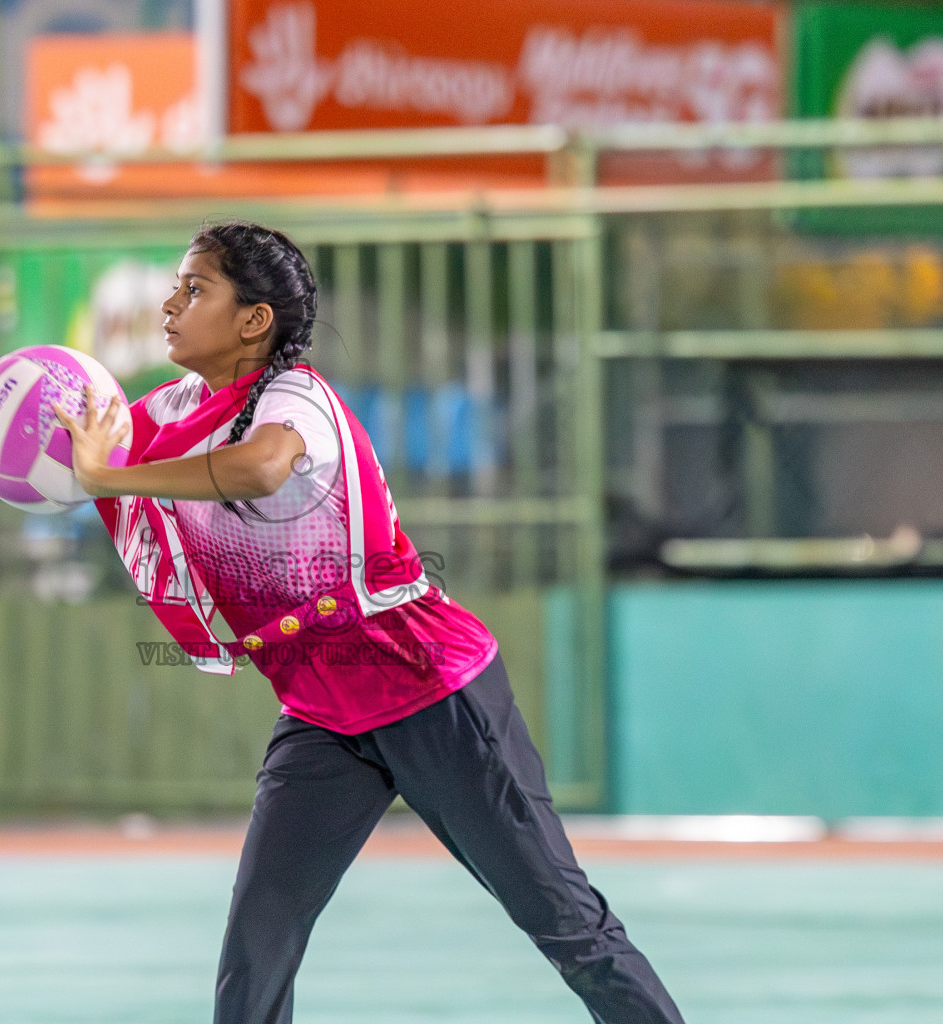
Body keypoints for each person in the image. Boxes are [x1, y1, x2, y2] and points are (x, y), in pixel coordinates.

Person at [51, 221, 685, 1023]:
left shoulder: (294, 401)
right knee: (257, 950)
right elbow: (82, 442)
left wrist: (112, 470)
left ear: (254, 321)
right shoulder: (173, 410)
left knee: (566, 926)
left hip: (432, 693)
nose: (170, 304)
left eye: (195, 288)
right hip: (322, 712)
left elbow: (263, 466)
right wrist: (49, 437)